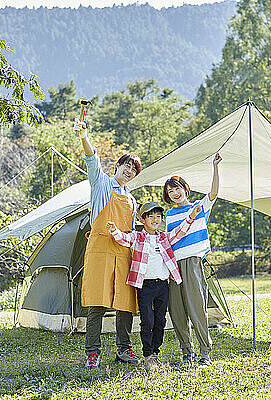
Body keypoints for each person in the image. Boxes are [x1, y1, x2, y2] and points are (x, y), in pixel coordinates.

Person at [73, 117, 142, 369]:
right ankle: (92, 352)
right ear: (118, 165)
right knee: (98, 302)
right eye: (127, 166)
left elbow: (132, 231)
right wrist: (83, 136)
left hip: (123, 252)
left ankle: (124, 350)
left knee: (125, 304)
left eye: (134, 170)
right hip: (100, 250)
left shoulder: (133, 200)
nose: (129, 171)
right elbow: (92, 160)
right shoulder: (101, 184)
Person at [106, 201, 201, 370]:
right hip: (145, 286)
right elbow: (124, 239)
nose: (156, 219)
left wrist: (191, 217)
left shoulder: (164, 237)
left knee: (160, 320)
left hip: (163, 285)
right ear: (143, 220)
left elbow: (179, 232)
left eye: (158, 216)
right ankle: (147, 354)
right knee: (147, 320)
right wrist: (114, 230)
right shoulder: (137, 237)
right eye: (151, 217)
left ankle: (155, 353)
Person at [163, 152, 222, 368]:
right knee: (177, 312)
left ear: (185, 189)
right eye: (170, 191)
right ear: (168, 197)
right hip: (172, 266)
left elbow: (214, 192)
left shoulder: (198, 206)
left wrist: (215, 167)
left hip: (192, 263)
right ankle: (187, 353)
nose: (175, 193)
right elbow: (168, 241)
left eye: (177, 188)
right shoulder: (168, 215)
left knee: (197, 309)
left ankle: (204, 354)